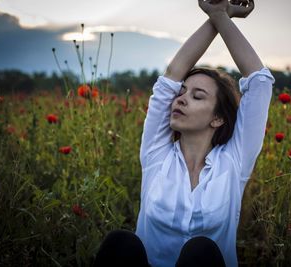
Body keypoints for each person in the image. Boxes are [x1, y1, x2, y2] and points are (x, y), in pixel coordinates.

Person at [93, 0, 275, 266]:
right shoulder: (157, 154)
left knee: (201, 250)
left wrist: (222, 18)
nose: (180, 99)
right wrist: (216, 14)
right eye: (180, 93)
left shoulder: (234, 161)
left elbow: (259, 82)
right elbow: (171, 76)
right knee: (121, 243)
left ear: (218, 118)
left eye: (197, 96)